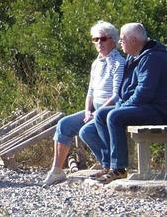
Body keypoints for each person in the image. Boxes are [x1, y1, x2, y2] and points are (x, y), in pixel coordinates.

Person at [79, 23, 167, 184]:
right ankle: (109, 165)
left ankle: (119, 168)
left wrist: (122, 106)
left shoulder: (153, 58)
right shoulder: (135, 57)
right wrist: (122, 104)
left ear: (133, 40)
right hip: (144, 106)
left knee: (114, 116)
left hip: (160, 109)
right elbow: (127, 90)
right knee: (101, 115)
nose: (120, 43)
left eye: (123, 39)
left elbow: (144, 93)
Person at [42, 21, 125, 186]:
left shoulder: (118, 62)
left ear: (113, 40)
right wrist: (88, 111)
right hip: (94, 109)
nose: (99, 43)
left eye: (103, 39)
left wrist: (97, 112)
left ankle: (108, 165)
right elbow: (90, 92)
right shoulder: (96, 63)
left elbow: (116, 95)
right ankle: (57, 170)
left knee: (86, 132)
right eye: (95, 40)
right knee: (64, 124)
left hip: (109, 110)